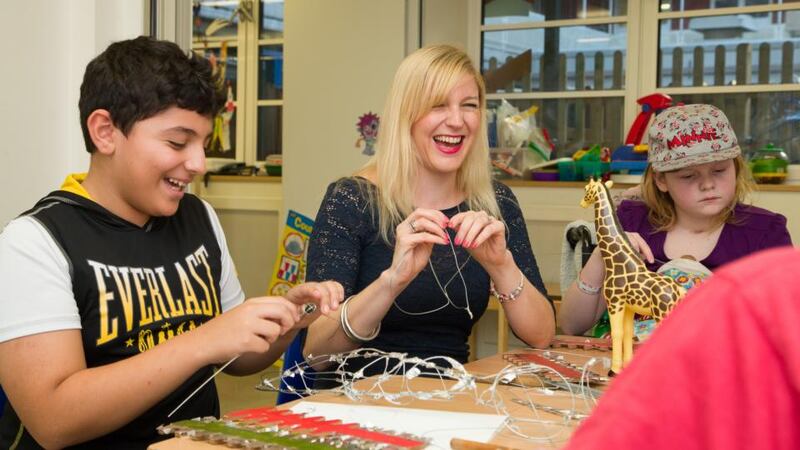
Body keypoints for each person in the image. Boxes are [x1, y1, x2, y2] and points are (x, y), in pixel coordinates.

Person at [0, 36, 342, 449]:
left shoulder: (199, 218)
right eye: (178, 143)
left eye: (203, 143)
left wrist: (285, 320)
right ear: (105, 132)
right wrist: (203, 340)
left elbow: (235, 360)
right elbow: (53, 420)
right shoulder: (34, 242)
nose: (198, 163)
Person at [302, 45, 555, 379]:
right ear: (406, 115)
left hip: (446, 401)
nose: (457, 120)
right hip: (355, 403)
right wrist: (391, 282)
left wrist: (501, 265)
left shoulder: (496, 203)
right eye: (437, 105)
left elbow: (541, 336)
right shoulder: (351, 200)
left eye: (469, 106)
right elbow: (316, 353)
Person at [559, 104, 791, 336]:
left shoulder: (765, 232)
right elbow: (571, 326)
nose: (707, 184)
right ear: (661, 180)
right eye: (689, 175)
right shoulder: (632, 220)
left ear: (736, 168)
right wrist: (602, 254)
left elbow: (786, 326)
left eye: (719, 170)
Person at [564, 246, 800, 450]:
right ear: (662, 188)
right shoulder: (630, 222)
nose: (706, 189)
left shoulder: (749, 287)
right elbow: (570, 324)